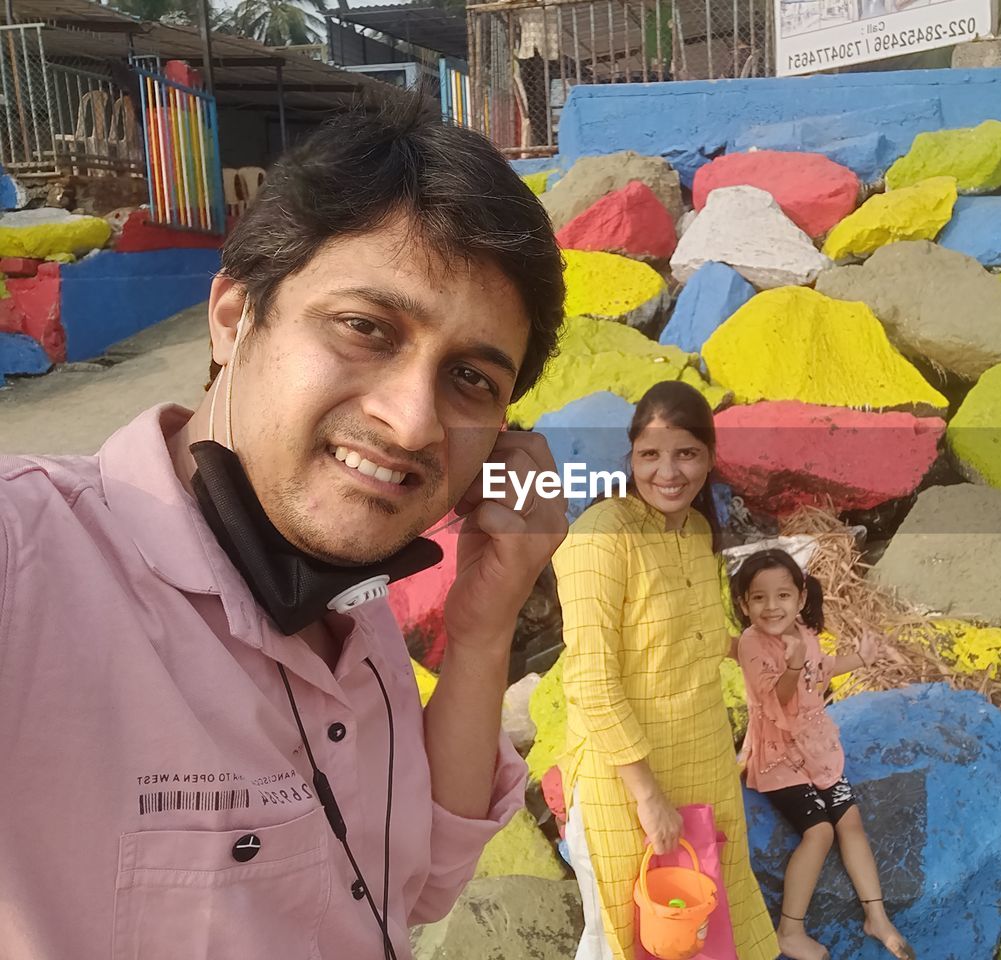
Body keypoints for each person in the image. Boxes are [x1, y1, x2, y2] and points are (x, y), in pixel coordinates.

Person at [0, 92, 567, 959]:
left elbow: (421, 882)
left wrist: (485, 630)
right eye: (366, 328)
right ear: (234, 318)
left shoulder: (353, 608)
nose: (413, 422)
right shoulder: (31, 558)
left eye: (471, 380)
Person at [554, 380, 778, 960]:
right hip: (622, 779)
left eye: (686, 453)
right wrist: (648, 796)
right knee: (623, 934)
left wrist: (769, 653)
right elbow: (590, 680)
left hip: (703, 761)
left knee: (706, 927)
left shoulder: (699, 531)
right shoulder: (599, 539)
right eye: (650, 455)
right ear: (630, 457)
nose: (668, 472)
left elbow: (695, 643)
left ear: (709, 456)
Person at [733, 549, 913, 960]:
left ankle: (878, 917)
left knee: (850, 820)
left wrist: (861, 658)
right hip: (779, 756)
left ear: (799, 598)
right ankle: (789, 930)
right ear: (744, 605)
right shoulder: (751, 644)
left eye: (782, 595)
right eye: (758, 598)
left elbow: (821, 669)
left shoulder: (803, 633)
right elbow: (777, 700)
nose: (771, 606)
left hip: (816, 749)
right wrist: (792, 668)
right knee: (821, 831)